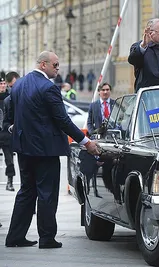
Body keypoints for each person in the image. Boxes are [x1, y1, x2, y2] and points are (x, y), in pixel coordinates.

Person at [4, 51, 100, 249]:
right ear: (42, 64)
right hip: (45, 150)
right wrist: (86, 142)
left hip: (24, 149)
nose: (58, 68)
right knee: (47, 193)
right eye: (55, 65)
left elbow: (11, 115)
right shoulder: (48, 88)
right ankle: (47, 238)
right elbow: (63, 120)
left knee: (26, 191)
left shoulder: (18, 85)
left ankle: (15, 236)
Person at [84, 82, 115, 197]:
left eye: (107, 90)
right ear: (99, 92)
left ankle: (111, 188)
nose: (105, 92)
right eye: (103, 90)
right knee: (97, 165)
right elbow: (89, 122)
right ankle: (93, 189)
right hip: (98, 139)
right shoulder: (94, 105)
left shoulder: (115, 104)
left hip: (112, 139)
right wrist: (93, 134)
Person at [0, 75, 17, 191]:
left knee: (9, 160)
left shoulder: (9, 98)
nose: (2, 86)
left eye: (4, 84)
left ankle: (9, 182)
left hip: (6, 133)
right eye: (0, 84)